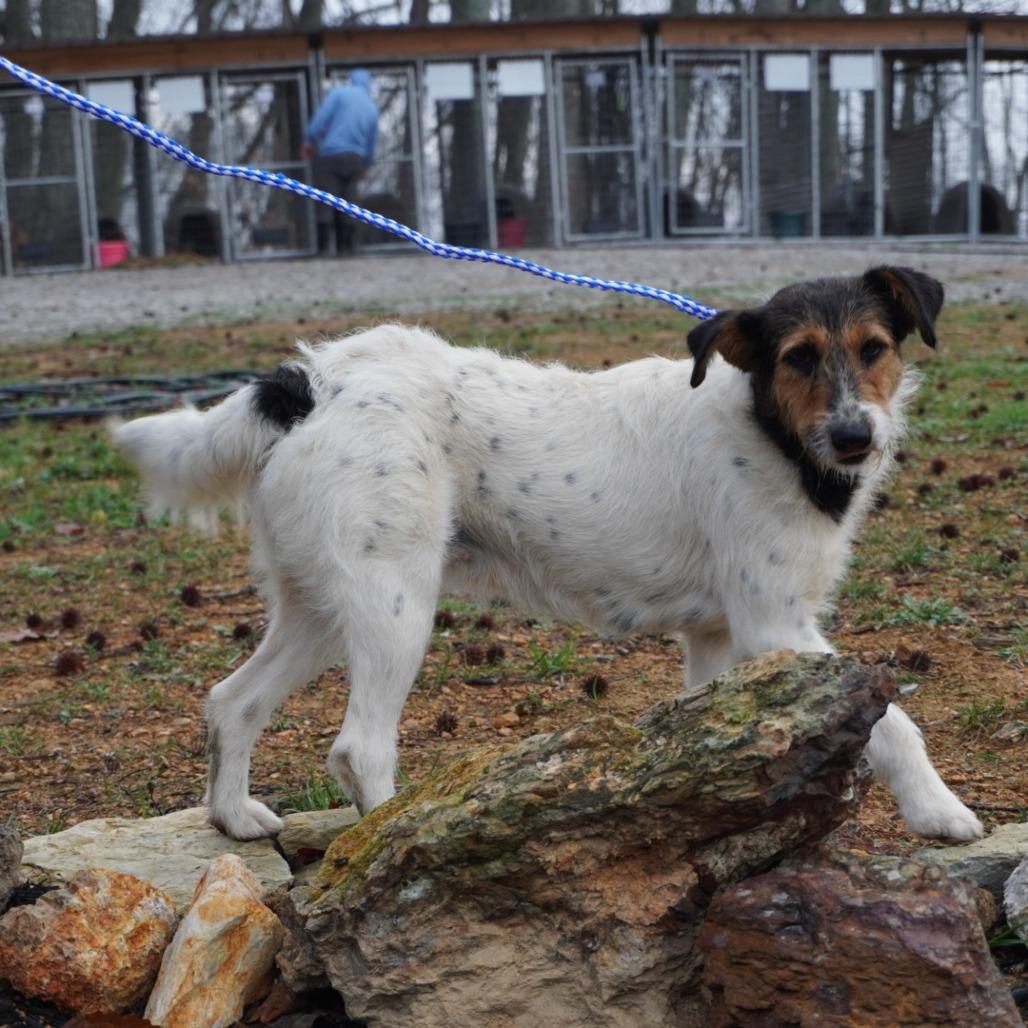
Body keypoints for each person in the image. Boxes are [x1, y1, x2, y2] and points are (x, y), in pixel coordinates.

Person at [301, 69, 378, 254]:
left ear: (350, 80)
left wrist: (310, 139)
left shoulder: (339, 94)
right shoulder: (371, 106)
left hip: (331, 155)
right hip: (355, 157)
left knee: (327, 198)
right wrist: (367, 162)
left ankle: (323, 248)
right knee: (349, 200)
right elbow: (372, 140)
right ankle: (346, 248)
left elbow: (320, 120)